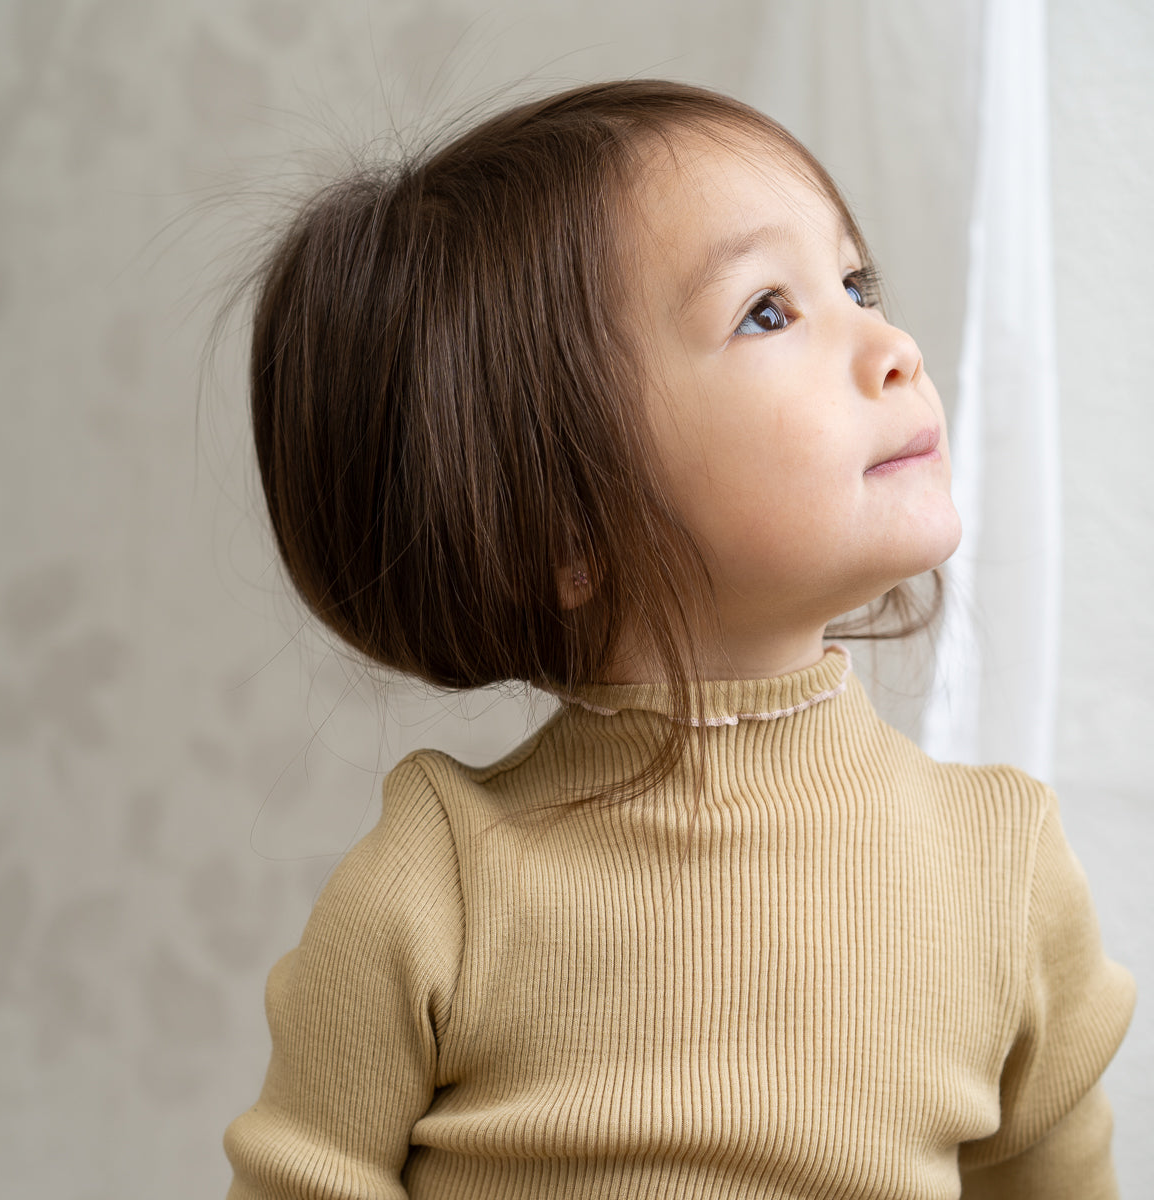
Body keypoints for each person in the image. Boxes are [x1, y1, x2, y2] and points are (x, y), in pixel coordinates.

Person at [222, 80, 1133, 1199]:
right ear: (565, 527)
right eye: (769, 311)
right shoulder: (440, 879)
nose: (893, 343)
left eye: (856, 283)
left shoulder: (1001, 864)